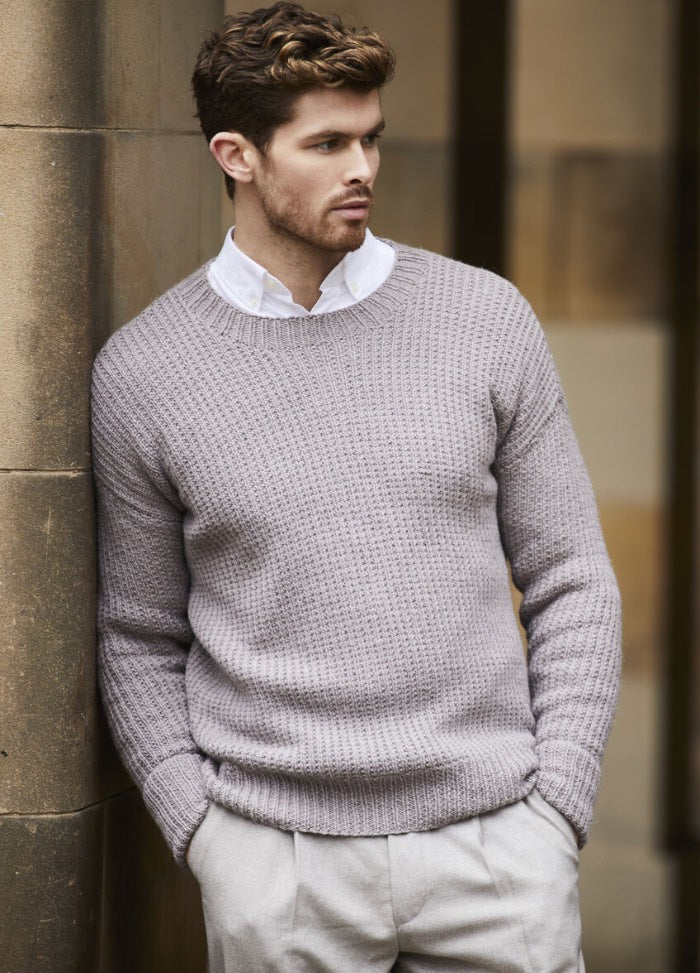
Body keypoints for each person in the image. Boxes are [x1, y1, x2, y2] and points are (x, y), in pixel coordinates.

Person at [90, 3, 622, 970]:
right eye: (327, 143)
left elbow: (573, 575)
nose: (363, 169)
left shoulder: (484, 319)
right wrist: (209, 840)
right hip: (279, 871)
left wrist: (556, 809)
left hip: (498, 852)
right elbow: (137, 632)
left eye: (371, 138)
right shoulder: (145, 372)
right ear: (236, 155)